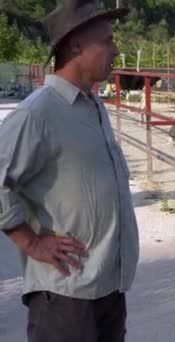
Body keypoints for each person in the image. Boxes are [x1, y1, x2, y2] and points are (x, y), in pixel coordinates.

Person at [0, 1, 139, 341]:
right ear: (76, 45)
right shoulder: (38, 113)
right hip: (65, 298)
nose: (116, 49)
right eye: (106, 40)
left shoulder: (93, 104)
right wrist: (30, 241)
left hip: (108, 287)